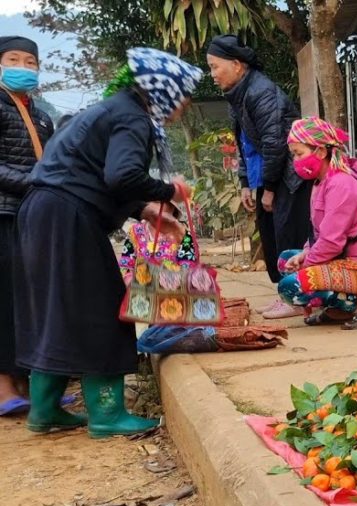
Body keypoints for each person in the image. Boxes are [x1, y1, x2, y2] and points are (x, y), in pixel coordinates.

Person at [14, 47, 200, 437]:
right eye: (184, 93)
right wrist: (170, 189)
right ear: (164, 88)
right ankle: (107, 414)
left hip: (43, 212)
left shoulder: (113, 110)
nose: (186, 104)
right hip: (67, 215)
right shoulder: (133, 118)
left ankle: (45, 409)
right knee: (100, 308)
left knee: (57, 309)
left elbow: (101, 174)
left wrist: (147, 211)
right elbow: (123, 176)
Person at [206, 34, 311, 319]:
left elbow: (275, 143)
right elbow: (244, 144)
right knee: (271, 237)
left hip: (289, 177)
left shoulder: (261, 92)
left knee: (289, 234)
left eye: (216, 66)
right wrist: (244, 184)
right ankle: (284, 294)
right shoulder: (239, 96)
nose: (212, 74)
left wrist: (269, 188)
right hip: (268, 176)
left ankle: (298, 298)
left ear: (237, 65)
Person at [279, 117, 357, 330]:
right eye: (294, 154)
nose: (296, 161)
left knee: (291, 285)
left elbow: (331, 242)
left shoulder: (341, 184)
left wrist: (306, 265)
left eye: (299, 153)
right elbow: (319, 233)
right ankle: (339, 308)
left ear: (321, 152)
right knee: (285, 260)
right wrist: (304, 253)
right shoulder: (321, 182)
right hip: (345, 259)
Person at [0, 35, 53, 416]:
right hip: (3, 211)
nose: (23, 67)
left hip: (30, 215)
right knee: (4, 300)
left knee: (26, 300)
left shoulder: (38, 112)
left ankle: (23, 385)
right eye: (13, 59)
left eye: (30, 62)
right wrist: (33, 182)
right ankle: (3, 389)